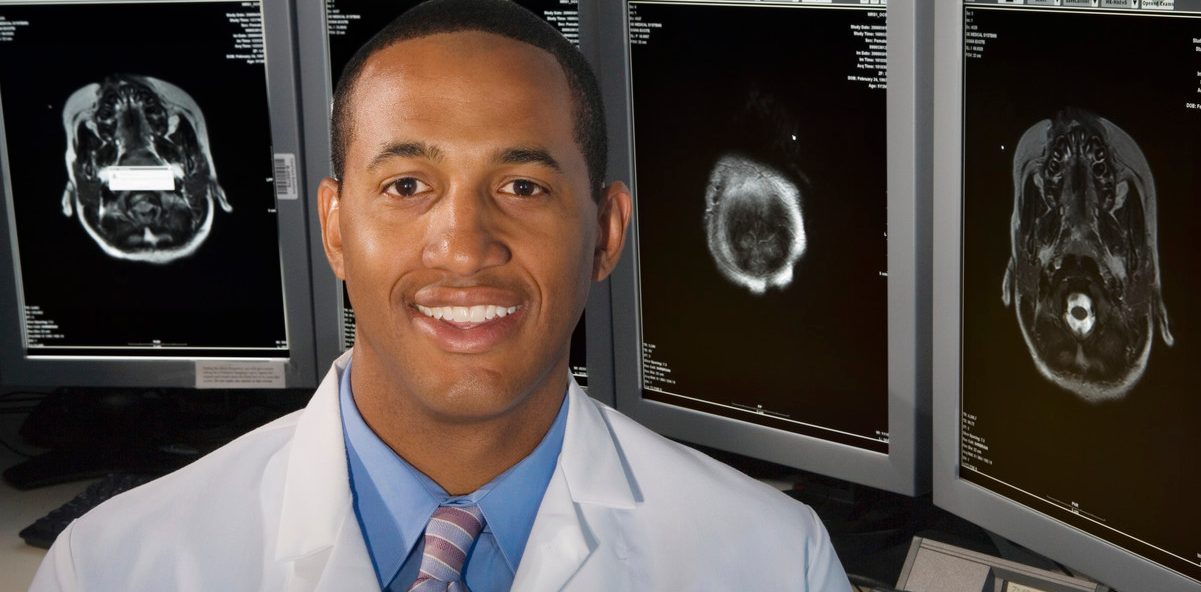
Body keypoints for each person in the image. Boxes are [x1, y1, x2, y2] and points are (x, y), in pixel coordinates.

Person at [30, 0, 850, 590]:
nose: (463, 246)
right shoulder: (110, 567)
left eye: (523, 185)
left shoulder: (776, 562)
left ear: (605, 233)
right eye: (409, 183)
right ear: (336, 228)